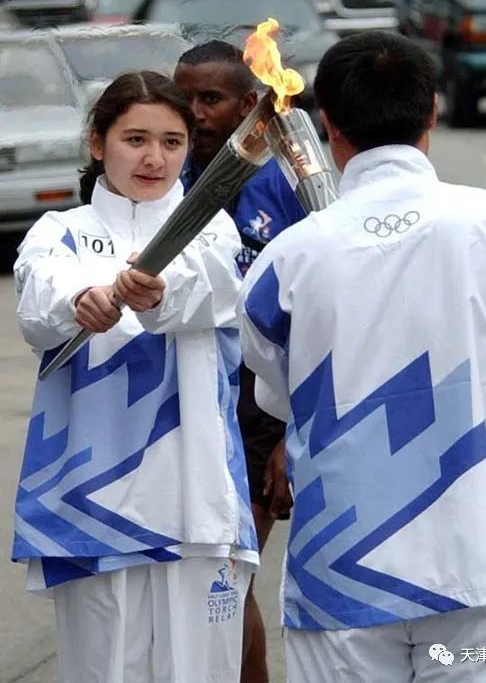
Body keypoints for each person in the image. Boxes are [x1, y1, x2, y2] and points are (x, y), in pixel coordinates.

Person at [238, 32, 486, 683]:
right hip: (484, 555)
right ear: (431, 114)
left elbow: (275, 391)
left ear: (328, 126)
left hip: (342, 572)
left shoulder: (291, 256)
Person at [12, 70, 258, 683]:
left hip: (197, 503)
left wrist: (154, 291)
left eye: (173, 143)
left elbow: (210, 289)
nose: (154, 158)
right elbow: (41, 299)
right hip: (90, 503)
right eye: (136, 139)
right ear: (98, 143)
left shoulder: (215, 230)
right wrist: (84, 298)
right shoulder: (58, 233)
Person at [174, 39, 305, 683]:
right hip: (190, 400)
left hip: (259, 406)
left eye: (211, 99)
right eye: (186, 97)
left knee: (229, 577)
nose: (194, 112)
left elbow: (306, 313)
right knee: (194, 580)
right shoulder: (170, 176)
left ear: (252, 104)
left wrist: (287, 433)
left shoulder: (282, 183)